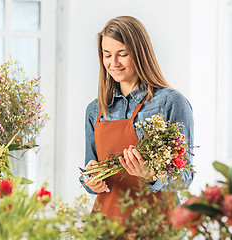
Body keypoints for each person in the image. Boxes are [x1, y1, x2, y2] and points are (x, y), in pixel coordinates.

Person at [79, 16, 194, 222]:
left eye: (122, 54)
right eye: (107, 55)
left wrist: (152, 175)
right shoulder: (95, 110)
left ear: (140, 54)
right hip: (106, 227)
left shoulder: (170, 102)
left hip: (155, 226)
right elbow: (90, 170)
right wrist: (90, 180)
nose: (113, 63)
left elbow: (185, 178)